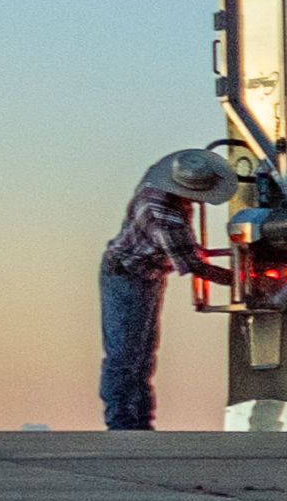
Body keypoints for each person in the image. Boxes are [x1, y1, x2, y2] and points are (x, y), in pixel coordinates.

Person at [99, 147, 235, 430]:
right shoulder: (163, 215)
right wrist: (239, 279)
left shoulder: (156, 184)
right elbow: (192, 265)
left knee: (143, 352)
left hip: (145, 273)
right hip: (127, 276)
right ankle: (123, 423)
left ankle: (138, 422)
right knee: (125, 354)